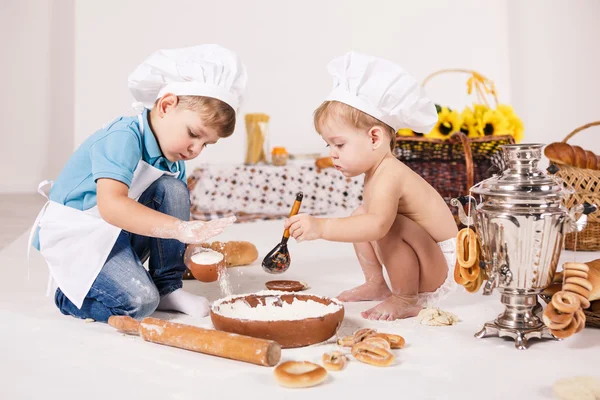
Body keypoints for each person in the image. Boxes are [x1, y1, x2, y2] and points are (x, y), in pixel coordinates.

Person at [28, 44, 247, 322]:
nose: (196, 149)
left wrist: (192, 248)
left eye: (207, 144)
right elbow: (111, 206)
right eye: (194, 134)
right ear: (166, 106)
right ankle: (71, 296)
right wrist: (181, 229)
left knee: (173, 188)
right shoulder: (123, 137)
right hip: (81, 236)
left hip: (116, 230)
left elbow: (169, 220)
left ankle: (168, 287)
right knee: (140, 302)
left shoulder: (173, 161)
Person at [285, 51, 458, 321]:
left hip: (441, 268)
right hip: (426, 260)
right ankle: (377, 282)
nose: (332, 153)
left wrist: (321, 227)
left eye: (339, 144)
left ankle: (406, 298)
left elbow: (378, 227)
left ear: (375, 138)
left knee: (385, 224)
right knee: (359, 215)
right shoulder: (376, 171)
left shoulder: (390, 173)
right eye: (328, 145)